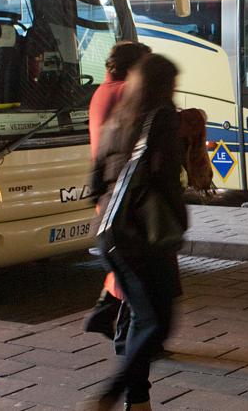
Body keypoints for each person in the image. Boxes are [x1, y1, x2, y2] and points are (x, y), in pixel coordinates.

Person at [89, 54, 189, 411]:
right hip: (143, 235)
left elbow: (95, 179)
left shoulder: (119, 117)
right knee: (156, 324)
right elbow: (165, 178)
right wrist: (179, 222)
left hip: (112, 233)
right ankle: (112, 394)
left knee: (139, 317)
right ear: (164, 85)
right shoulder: (161, 117)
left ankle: (137, 400)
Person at [84, 41, 151, 345]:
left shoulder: (102, 91)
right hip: (124, 189)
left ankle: (103, 313)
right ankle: (127, 337)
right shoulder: (125, 92)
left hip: (109, 189)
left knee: (124, 260)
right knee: (135, 265)